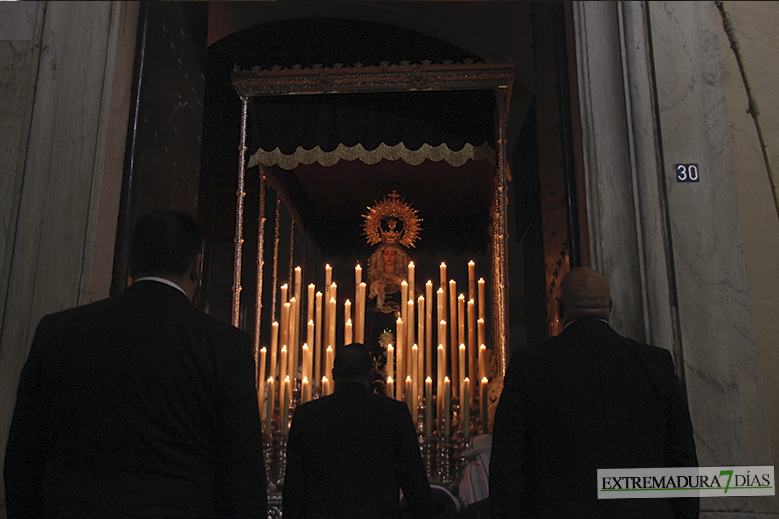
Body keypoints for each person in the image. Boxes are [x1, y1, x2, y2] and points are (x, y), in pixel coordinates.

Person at [4, 209, 267, 518]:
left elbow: (23, 459)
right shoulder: (225, 346)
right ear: (198, 266)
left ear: (131, 263)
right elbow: (242, 478)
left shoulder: (58, 331)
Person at [489, 267, 698, 519]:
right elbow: (681, 458)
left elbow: (507, 466)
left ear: (559, 307)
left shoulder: (529, 365)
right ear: (610, 306)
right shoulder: (655, 364)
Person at [283, 343, 441, 519]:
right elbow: (415, 486)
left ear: (334, 374)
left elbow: (293, 489)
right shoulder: (394, 415)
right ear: (371, 374)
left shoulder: (307, 416)